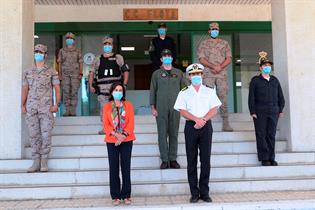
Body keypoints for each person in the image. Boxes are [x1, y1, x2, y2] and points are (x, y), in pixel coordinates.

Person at [174, 63, 221, 203]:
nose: (196, 76)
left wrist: (203, 119)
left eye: (198, 74)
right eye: (193, 74)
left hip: (206, 126)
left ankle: (205, 192)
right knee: (191, 160)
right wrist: (196, 119)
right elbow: (182, 110)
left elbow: (214, 109)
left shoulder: (209, 90)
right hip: (191, 126)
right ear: (189, 76)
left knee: (205, 160)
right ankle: (194, 193)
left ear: (202, 75)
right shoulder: (183, 92)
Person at [21, 44, 61, 173]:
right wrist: (22, 104)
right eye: (36, 51)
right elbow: (25, 89)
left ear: (45, 55)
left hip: (46, 109)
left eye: (40, 52)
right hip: (31, 108)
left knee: (46, 135)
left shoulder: (51, 71)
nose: (38, 54)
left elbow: (57, 89)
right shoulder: (27, 72)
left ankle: (44, 161)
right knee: (34, 135)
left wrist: (56, 104)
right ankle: (36, 162)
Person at [150, 49, 187, 169]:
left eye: (169, 56)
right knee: (162, 134)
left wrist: (185, 106)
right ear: (161, 59)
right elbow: (153, 91)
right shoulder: (156, 74)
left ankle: (173, 159)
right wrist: (153, 107)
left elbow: (185, 90)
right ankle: (164, 160)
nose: (167, 58)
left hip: (175, 108)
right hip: (160, 108)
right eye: (164, 56)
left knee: (174, 133)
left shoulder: (179, 73)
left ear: (172, 58)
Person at [248, 51, 285, 166]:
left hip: (273, 110)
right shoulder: (255, 80)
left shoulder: (275, 80)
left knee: (271, 135)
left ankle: (271, 157)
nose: (267, 67)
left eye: (269, 66)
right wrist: (252, 111)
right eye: (265, 66)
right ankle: (264, 158)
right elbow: (251, 97)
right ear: (260, 68)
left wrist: (281, 109)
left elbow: (280, 95)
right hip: (260, 111)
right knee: (261, 134)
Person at [89, 35, 130, 135]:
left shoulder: (118, 57)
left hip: (115, 89)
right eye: (105, 44)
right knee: (104, 109)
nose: (107, 46)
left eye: (109, 44)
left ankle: (118, 127)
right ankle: (106, 128)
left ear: (112, 45)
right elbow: (91, 73)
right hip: (102, 89)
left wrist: (124, 84)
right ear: (103, 46)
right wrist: (90, 85)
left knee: (117, 108)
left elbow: (126, 71)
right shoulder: (98, 59)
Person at [102, 82, 135, 206]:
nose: (118, 92)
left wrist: (123, 136)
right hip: (112, 140)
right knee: (114, 168)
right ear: (112, 92)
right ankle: (115, 196)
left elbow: (131, 122)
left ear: (123, 92)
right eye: (116, 90)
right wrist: (116, 135)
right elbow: (106, 125)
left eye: (120, 90)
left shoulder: (128, 105)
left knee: (126, 167)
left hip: (127, 140)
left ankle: (126, 195)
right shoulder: (107, 107)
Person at [198, 22, 233, 131]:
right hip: (208, 74)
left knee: (223, 97)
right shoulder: (203, 44)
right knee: (206, 97)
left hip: (221, 74)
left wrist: (220, 67)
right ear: (209, 31)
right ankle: (205, 121)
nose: (215, 31)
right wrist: (213, 67)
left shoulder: (225, 43)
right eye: (213, 29)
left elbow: (229, 58)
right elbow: (201, 59)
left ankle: (226, 122)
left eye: (216, 29)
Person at [57, 32, 83, 116]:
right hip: (65, 75)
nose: (69, 40)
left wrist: (80, 73)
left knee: (74, 92)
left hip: (75, 75)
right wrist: (59, 74)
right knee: (66, 92)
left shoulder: (77, 51)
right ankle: (67, 110)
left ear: (74, 40)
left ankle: (73, 111)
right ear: (65, 40)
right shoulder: (62, 50)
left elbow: (80, 62)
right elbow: (60, 63)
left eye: (71, 38)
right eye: (67, 38)